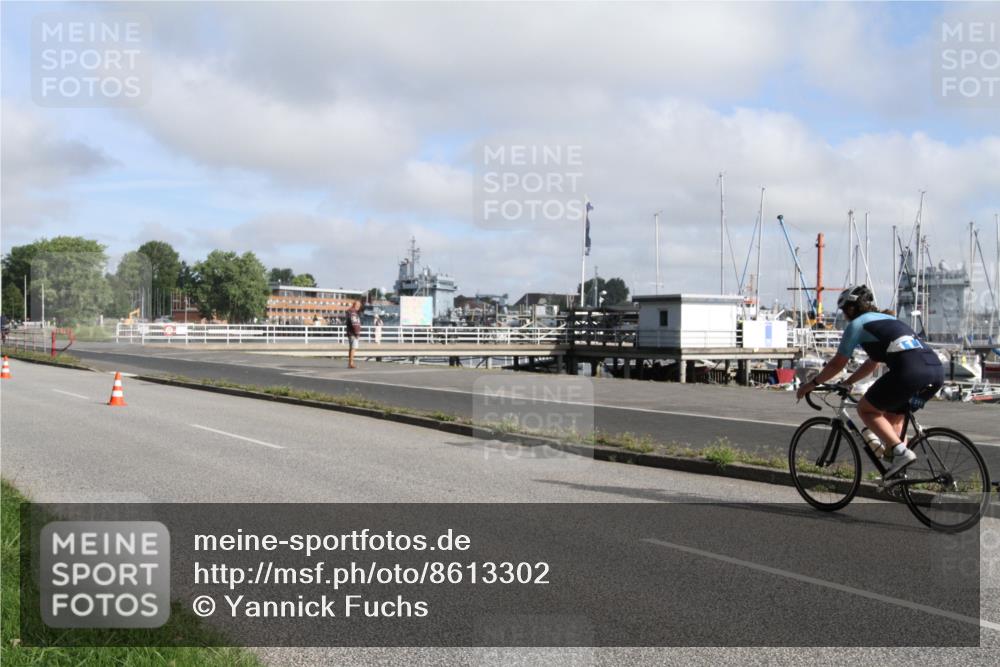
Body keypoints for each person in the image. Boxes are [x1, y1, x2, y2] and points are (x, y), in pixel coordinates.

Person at [796, 285, 944, 479]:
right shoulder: (890, 320)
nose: (844, 315)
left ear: (850, 309)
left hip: (910, 371)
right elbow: (873, 363)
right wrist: (848, 381)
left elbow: (837, 363)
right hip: (935, 371)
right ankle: (898, 475)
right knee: (893, 418)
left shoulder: (857, 325)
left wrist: (810, 384)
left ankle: (901, 453)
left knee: (866, 409)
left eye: (844, 311)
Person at [346, 301, 362, 369]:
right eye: (358, 306)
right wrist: (357, 333)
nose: (359, 307)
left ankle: (350, 362)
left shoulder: (350, 312)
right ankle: (351, 363)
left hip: (350, 332)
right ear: (355, 305)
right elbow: (354, 323)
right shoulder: (353, 313)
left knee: (351, 348)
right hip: (353, 333)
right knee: (353, 348)